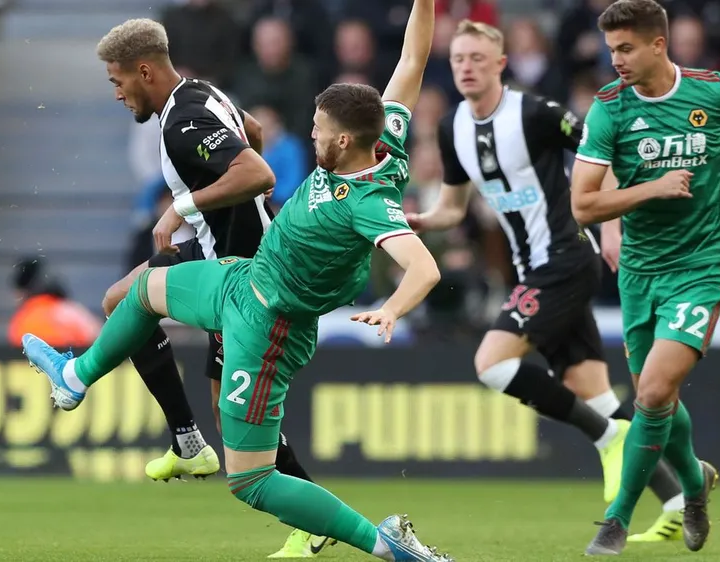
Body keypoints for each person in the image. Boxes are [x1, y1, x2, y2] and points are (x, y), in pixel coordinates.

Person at [23, 2, 454, 560]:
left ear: (344, 142)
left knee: (249, 479)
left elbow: (425, 267)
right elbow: (412, 60)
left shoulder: (369, 203)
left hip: (269, 324)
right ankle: (76, 378)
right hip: (242, 277)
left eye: (318, 129)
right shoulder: (383, 140)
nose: (310, 134)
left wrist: (394, 308)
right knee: (139, 293)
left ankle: (383, 543)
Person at [408, 18, 687, 542]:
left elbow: (603, 154)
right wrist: (421, 222)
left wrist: (611, 223)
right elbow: (452, 206)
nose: (466, 68)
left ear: (500, 64)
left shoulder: (534, 113)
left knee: (490, 363)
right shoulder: (450, 128)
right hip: (532, 268)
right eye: (457, 60)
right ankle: (681, 492)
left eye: (476, 58)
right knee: (597, 394)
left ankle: (607, 440)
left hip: (564, 258)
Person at [90, 18, 331, 558]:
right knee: (124, 304)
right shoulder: (199, 91)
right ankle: (188, 441)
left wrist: (183, 206)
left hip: (247, 275)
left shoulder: (182, 123)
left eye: (117, 81)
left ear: (144, 70)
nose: (116, 93)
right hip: (224, 253)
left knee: (128, 305)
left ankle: (302, 509)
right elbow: (254, 131)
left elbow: (260, 171)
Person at [570, 0, 720, 555]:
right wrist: (652, 188)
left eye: (625, 48)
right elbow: (582, 207)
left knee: (650, 393)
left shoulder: (716, 91)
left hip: (702, 265)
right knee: (658, 397)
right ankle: (696, 486)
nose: (614, 58)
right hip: (640, 274)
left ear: (658, 45)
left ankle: (616, 520)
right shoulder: (609, 110)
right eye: (610, 48)